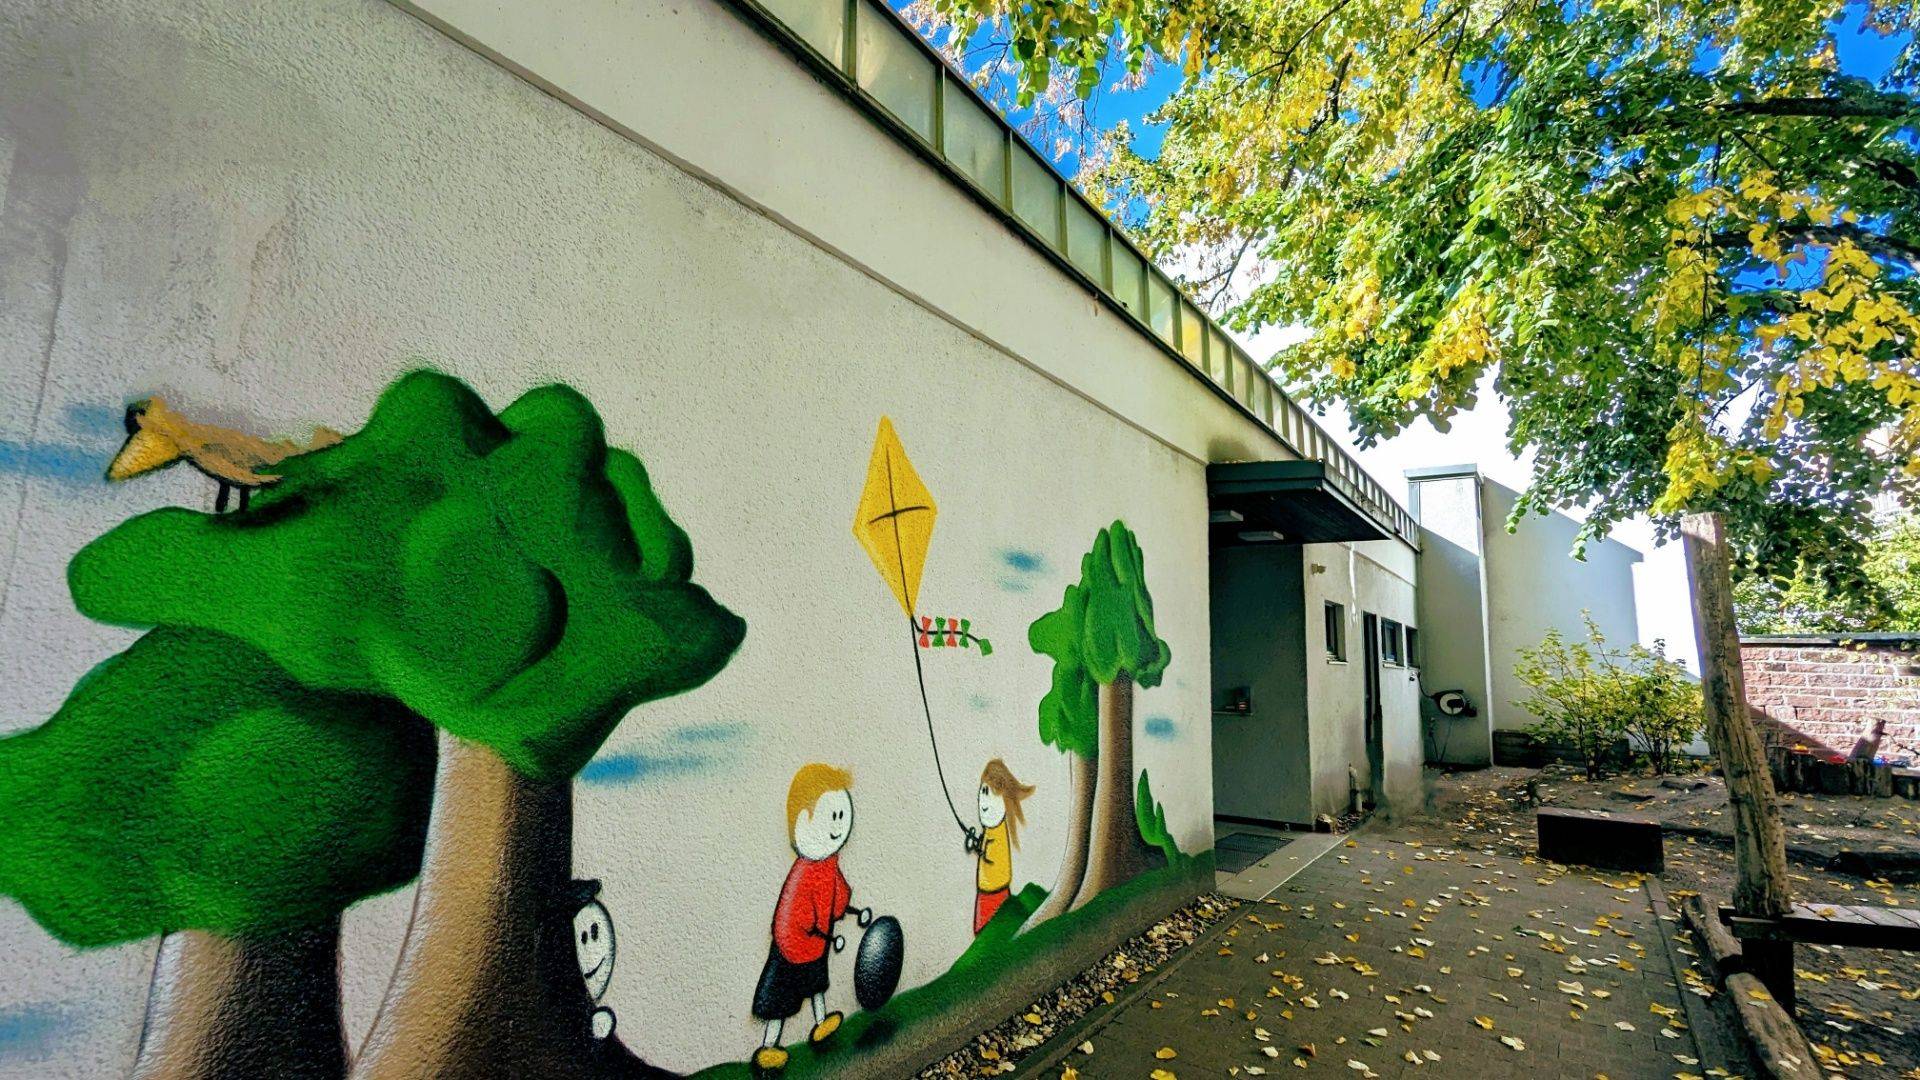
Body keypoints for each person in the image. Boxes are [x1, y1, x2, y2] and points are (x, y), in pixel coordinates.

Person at [752, 764, 871, 1071]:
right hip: (791, 948)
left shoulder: (829, 864)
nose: (838, 825)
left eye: (841, 816)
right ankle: (769, 1046)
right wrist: (811, 931)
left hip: (816, 946)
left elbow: (837, 892)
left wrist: (845, 910)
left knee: (817, 983)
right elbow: (791, 915)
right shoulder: (802, 873)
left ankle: (821, 1022)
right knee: (779, 999)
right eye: (831, 816)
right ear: (804, 821)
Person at [965, 759, 1035, 934]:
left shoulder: (998, 834)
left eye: (990, 793)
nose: (983, 802)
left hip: (995, 894)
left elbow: (994, 861)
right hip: (986, 894)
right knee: (984, 933)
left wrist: (979, 849)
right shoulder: (990, 832)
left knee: (990, 932)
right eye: (983, 792)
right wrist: (977, 845)